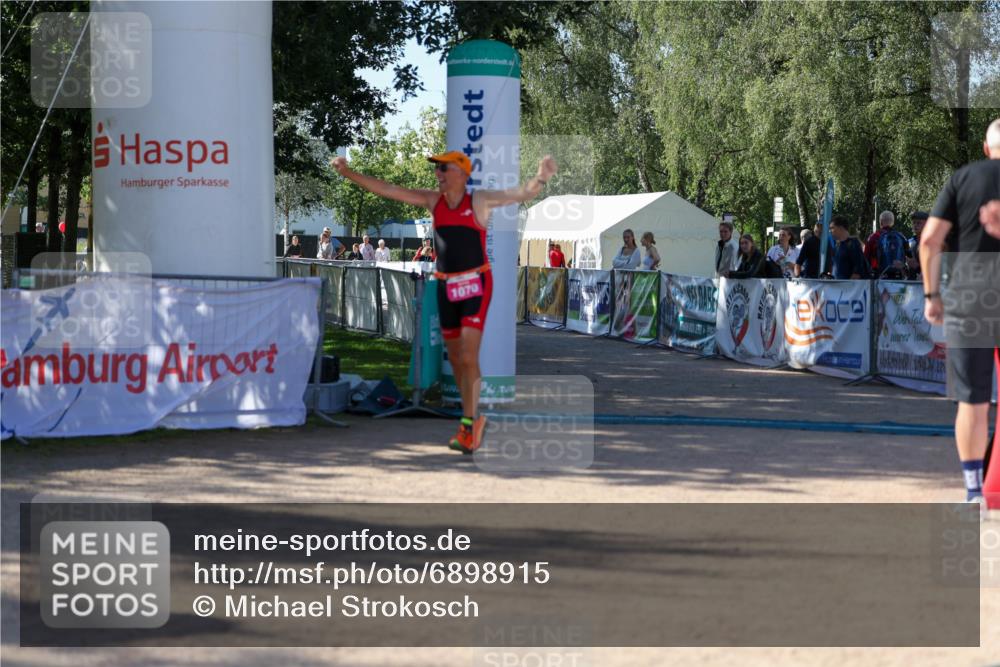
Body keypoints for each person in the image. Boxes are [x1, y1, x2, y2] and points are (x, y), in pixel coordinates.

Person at [332, 150, 557, 453]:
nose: (438, 174)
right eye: (436, 169)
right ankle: (469, 421)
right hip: (446, 285)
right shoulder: (433, 200)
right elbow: (390, 190)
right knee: (456, 358)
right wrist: (348, 173)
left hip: (476, 282)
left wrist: (541, 176)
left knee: (468, 353)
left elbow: (521, 193)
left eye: (443, 169)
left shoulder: (479, 200)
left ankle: (471, 422)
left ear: (462, 173)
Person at [920, 118, 1000, 510]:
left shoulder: (963, 178)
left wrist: (932, 294)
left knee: (972, 400)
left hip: (972, 296)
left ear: (986, 149)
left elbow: (930, 240)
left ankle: (973, 493)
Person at [864, 210, 908, 278]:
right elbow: (908, 256)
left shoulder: (874, 237)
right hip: (898, 277)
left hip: (879, 276)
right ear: (893, 222)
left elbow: (866, 258)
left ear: (880, 222)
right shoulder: (901, 237)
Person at [828, 215, 871, 280]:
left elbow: (857, 272)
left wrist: (847, 288)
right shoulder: (837, 246)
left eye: (832, 228)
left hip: (848, 288)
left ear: (841, 228)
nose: (830, 231)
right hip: (836, 288)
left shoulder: (853, 244)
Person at [904, 211, 929, 280]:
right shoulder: (909, 242)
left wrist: (917, 267)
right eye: (914, 223)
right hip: (911, 285)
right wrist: (902, 267)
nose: (915, 225)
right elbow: (907, 271)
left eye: (918, 223)